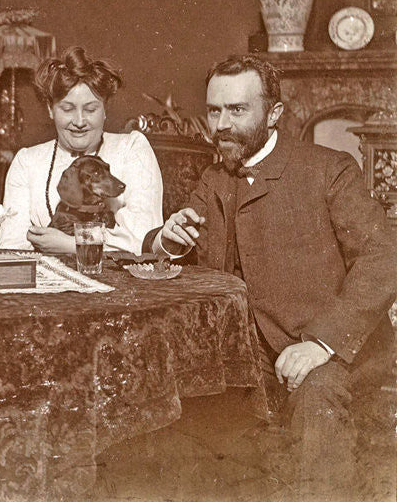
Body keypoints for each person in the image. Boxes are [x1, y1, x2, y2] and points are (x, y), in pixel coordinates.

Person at [145, 54, 397, 496]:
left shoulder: (327, 169)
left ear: (274, 113)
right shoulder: (214, 178)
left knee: (317, 397)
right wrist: (167, 238)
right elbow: (177, 245)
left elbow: (385, 255)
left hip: (333, 350)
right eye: (214, 110)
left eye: (237, 110)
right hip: (249, 355)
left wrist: (322, 343)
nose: (221, 124)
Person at [0, 46, 163, 256]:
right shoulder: (27, 162)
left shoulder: (132, 149)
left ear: (104, 109)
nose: (80, 121)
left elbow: (144, 236)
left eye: (91, 109)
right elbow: (12, 246)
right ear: (50, 108)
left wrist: (72, 245)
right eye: (67, 109)